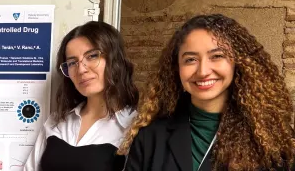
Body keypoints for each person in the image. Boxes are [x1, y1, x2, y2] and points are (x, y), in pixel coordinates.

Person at [120, 14, 295, 171]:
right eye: (191, 60)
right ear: (176, 68)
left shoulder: (271, 140)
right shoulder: (151, 136)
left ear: (238, 62)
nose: (203, 71)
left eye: (217, 56)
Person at [24, 21, 139, 171]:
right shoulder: (57, 121)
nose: (81, 69)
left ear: (114, 59)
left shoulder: (134, 128)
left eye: (92, 56)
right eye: (72, 63)